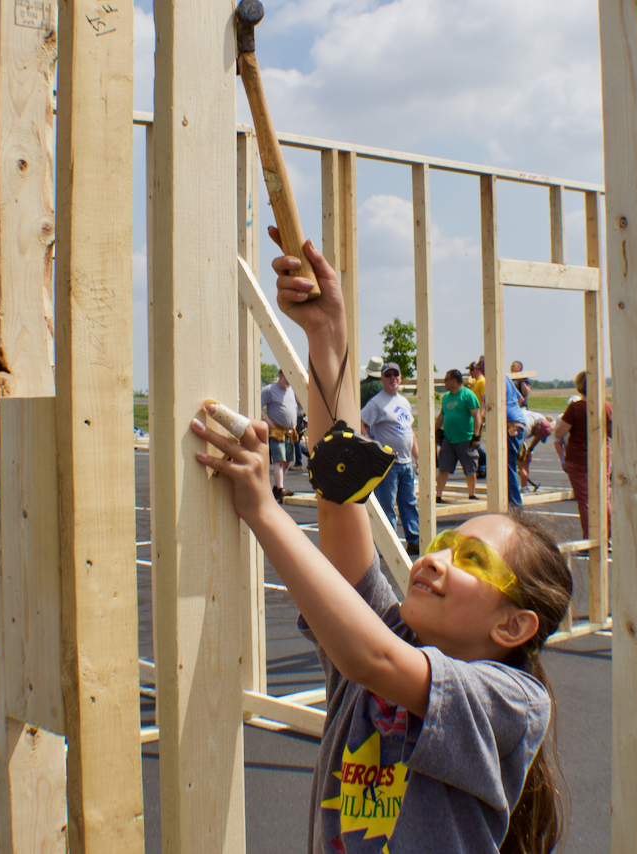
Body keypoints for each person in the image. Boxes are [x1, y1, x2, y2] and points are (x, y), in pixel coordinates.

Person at [191, 231, 571, 853]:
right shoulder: (393, 633)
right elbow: (341, 492)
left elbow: (372, 661)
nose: (436, 558)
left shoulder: (510, 701)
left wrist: (264, 511)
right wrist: (327, 335)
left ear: (512, 627)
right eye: (444, 543)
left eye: (471, 560)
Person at [360, 361, 420, 555]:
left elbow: (409, 430)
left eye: (396, 374)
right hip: (388, 464)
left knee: (409, 503)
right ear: (382, 379)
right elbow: (360, 423)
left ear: (400, 377)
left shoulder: (403, 401)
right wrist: (373, 446)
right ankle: (390, 545)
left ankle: (414, 540)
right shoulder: (377, 402)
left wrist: (417, 455)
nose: (393, 378)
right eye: (388, 375)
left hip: (406, 463)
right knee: (387, 507)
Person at [554, 370, 613, 539]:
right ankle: (607, 537)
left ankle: (590, 537)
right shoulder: (607, 406)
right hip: (602, 457)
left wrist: (562, 457)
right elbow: (613, 433)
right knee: (604, 499)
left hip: (578, 457)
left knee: (585, 500)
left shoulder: (575, 408)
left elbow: (558, 434)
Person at [434, 369, 482, 502]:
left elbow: (476, 416)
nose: (445, 383)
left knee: (469, 468)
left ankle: (472, 494)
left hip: (465, 438)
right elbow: (442, 416)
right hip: (449, 439)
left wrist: (476, 435)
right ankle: (438, 495)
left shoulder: (467, 395)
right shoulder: (447, 397)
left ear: (454, 381)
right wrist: (434, 430)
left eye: (446, 380)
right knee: (444, 468)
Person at [262, 372, 299, 503]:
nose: (288, 381)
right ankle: (281, 488)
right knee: (279, 460)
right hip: (277, 430)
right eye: (286, 378)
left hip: (289, 431)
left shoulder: (291, 390)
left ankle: (277, 488)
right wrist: (266, 419)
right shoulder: (269, 390)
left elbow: (294, 407)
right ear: (280, 375)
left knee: (287, 461)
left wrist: (294, 422)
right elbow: (257, 404)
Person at [502, 373, 527, 508]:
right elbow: (521, 399)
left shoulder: (494, 378)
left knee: (507, 464)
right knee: (508, 464)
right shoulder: (504, 377)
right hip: (517, 421)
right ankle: (511, 502)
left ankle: (515, 505)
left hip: (512, 424)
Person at [468, 359, 488, 478]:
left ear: (477, 369)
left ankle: (482, 466)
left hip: (478, 417)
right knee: (473, 442)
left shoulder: (482, 382)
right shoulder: (475, 382)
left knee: (476, 443)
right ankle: (480, 467)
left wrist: (483, 414)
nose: (470, 372)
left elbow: (484, 399)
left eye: (471, 370)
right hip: (471, 417)